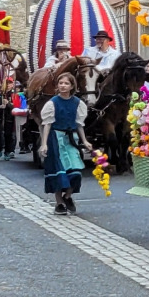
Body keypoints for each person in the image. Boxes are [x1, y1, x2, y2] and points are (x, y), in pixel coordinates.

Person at [43, 65, 89, 215]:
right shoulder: (52, 103)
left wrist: (85, 141)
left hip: (71, 139)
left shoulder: (78, 103)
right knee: (59, 172)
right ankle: (59, 203)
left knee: (76, 171)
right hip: (55, 138)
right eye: (60, 83)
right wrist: (44, 144)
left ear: (72, 86)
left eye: (66, 83)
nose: (63, 86)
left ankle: (67, 196)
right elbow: (47, 124)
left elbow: (79, 124)